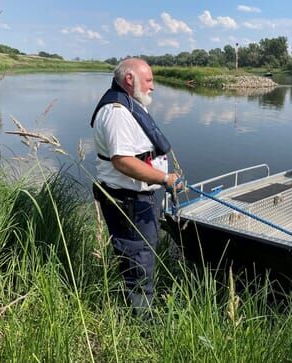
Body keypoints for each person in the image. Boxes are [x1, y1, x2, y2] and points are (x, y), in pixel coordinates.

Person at [90, 58, 181, 315]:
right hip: (130, 201)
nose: (153, 86)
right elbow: (123, 161)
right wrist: (164, 179)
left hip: (140, 198)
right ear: (130, 79)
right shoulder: (117, 112)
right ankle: (142, 322)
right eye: (149, 80)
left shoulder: (130, 104)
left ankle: (134, 307)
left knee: (140, 255)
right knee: (138, 258)